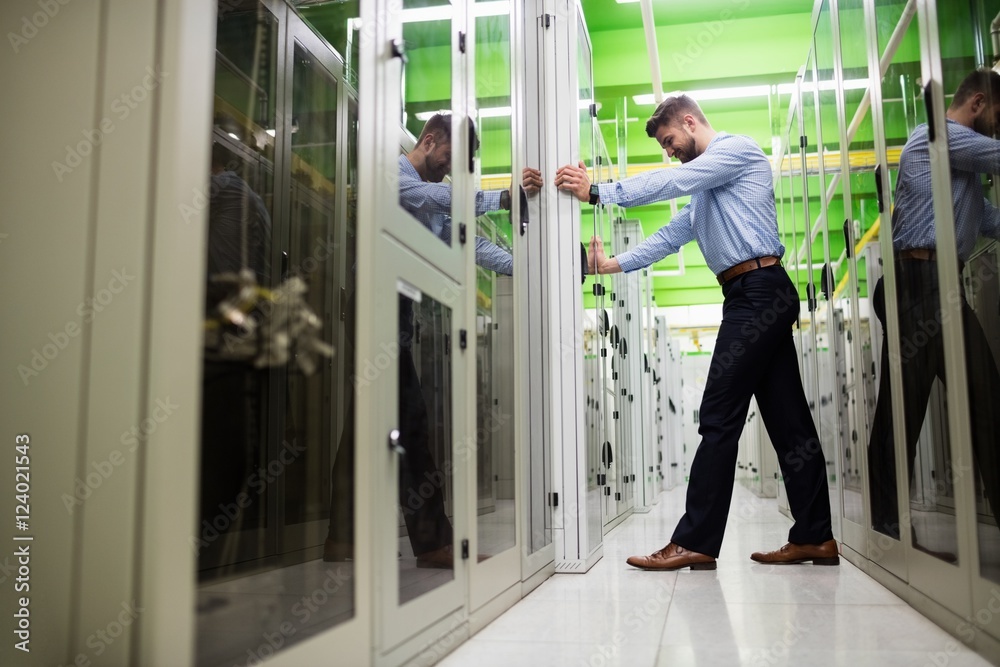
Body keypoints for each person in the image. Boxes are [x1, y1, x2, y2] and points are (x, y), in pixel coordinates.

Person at [556, 94, 837, 571]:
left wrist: (599, 191)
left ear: (689, 121)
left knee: (718, 414)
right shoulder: (710, 195)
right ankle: (815, 537)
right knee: (791, 424)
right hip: (752, 295)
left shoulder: (735, 151)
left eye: (670, 141)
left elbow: (676, 179)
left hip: (758, 292)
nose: (670, 152)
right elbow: (670, 236)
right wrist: (610, 265)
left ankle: (696, 541)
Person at [324, 116, 542, 568]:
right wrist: (501, 196)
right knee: (413, 423)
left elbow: (469, 245)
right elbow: (422, 196)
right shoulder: (394, 176)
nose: (450, 171)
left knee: (365, 428)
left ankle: (342, 539)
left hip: (396, 313)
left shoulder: (434, 199)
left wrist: (532, 267)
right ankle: (433, 543)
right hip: (372, 307)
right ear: (429, 140)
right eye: (450, 159)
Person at [867, 68, 1000, 556]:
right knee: (903, 410)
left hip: (940, 284)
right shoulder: (937, 138)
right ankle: (885, 524)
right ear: (979, 103)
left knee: (985, 398)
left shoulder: (960, 168)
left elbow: (988, 219)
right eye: (999, 117)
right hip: (916, 284)